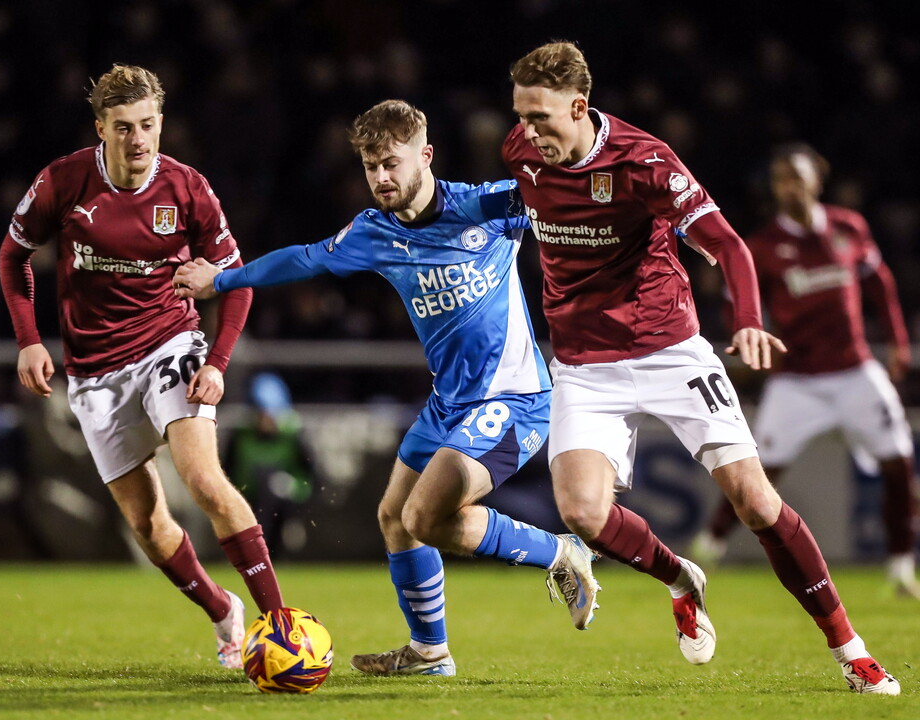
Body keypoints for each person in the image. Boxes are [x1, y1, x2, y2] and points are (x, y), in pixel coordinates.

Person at [503, 41, 899, 695]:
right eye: (521, 114)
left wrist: (747, 317)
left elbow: (726, 243)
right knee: (580, 512)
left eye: (541, 116)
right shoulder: (520, 153)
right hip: (582, 363)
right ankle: (682, 579)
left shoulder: (645, 161)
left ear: (579, 106)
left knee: (754, 500)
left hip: (669, 349)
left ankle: (851, 651)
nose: (528, 130)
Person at [173, 99, 600, 677]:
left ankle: (561, 552)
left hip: (515, 401)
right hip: (447, 403)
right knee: (395, 518)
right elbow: (304, 259)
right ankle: (430, 652)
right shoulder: (373, 231)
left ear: (425, 155)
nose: (381, 178)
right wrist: (221, 279)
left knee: (426, 517)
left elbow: (567, 198)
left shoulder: (484, 205)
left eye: (392, 164)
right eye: (371, 167)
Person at [0, 64, 285, 670]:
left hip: (169, 344)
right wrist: (28, 339)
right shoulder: (64, 180)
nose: (138, 139)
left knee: (203, 480)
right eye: (123, 127)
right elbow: (12, 256)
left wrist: (221, 361)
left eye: (148, 125)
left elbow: (239, 282)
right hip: (95, 371)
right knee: (150, 526)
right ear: (99, 127)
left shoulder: (187, 188)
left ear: (161, 123)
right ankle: (224, 612)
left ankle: (281, 625)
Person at [690, 143, 920, 598]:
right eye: (780, 179)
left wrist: (897, 341)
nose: (788, 187)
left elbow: (881, 283)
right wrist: (752, 337)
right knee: (754, 473)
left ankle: (900, 566)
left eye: (795, 176)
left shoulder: (847, 227)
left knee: (899, 464)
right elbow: (735, 302)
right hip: (796, 381)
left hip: (855, 371)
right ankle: (708, 547)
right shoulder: (763, 246)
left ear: (817, 177)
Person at [225, 371, 314, 556]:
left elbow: (312, 477)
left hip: (285, 502)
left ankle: (286, 533)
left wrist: (295, 490)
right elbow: (227, 472)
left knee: (274, 486)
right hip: (249, 499)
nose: (267, 419)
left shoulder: (293, 433)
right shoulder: (240, 434)